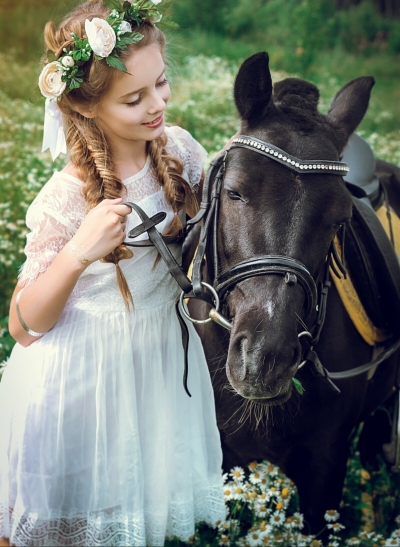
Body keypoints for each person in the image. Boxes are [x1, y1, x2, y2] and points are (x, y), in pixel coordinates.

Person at [0, 1, 226, 545]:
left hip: (157, 367)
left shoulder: (181, 152)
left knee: (142, 519)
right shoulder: (65, 197)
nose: (157, 106)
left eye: (161, 85)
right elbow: (23, 326)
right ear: (87, 108)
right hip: (84, 381)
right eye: (134, 99)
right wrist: (78, 252)